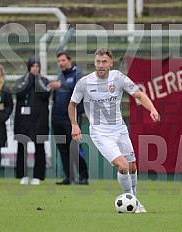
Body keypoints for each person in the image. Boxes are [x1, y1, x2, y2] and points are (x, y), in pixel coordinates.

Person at [68, 48, 160, 213]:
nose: (101, 65)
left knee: (132, 167)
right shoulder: (84, 83)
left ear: (111, 63)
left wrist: (152, 109)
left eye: (104, 62)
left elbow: (139, 95)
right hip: (100, 133)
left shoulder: (118, 77)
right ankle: (132, 202)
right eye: (98, 62)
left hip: (120, 129)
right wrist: (75, 124)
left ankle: (134, 200)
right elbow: (72, 104)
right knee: (123, 166)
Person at [14, 56, 59, 185]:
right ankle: (22, 175)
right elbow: (19, 93)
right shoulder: (22, 80)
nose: (35, 68)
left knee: (39, 147)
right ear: (29, 66)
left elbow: (44, 94)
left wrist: (36, 80)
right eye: (33, 65)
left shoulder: (44, 81)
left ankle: (38, 176)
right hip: (23, 120)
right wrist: (30, 80)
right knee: (22, 147)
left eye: (37, 66)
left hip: (40, 121)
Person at [51, 51, 89, 185]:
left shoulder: (77, 73)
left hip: (71, 119)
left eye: (63, 60)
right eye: (59, 61)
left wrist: (61, 85)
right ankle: (69, 177)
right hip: (57, 117)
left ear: (69, 60)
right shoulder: (61, 76)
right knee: (63, 149)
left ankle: (84, 176)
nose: (60, 63)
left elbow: (80, 89)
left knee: (74, 147)